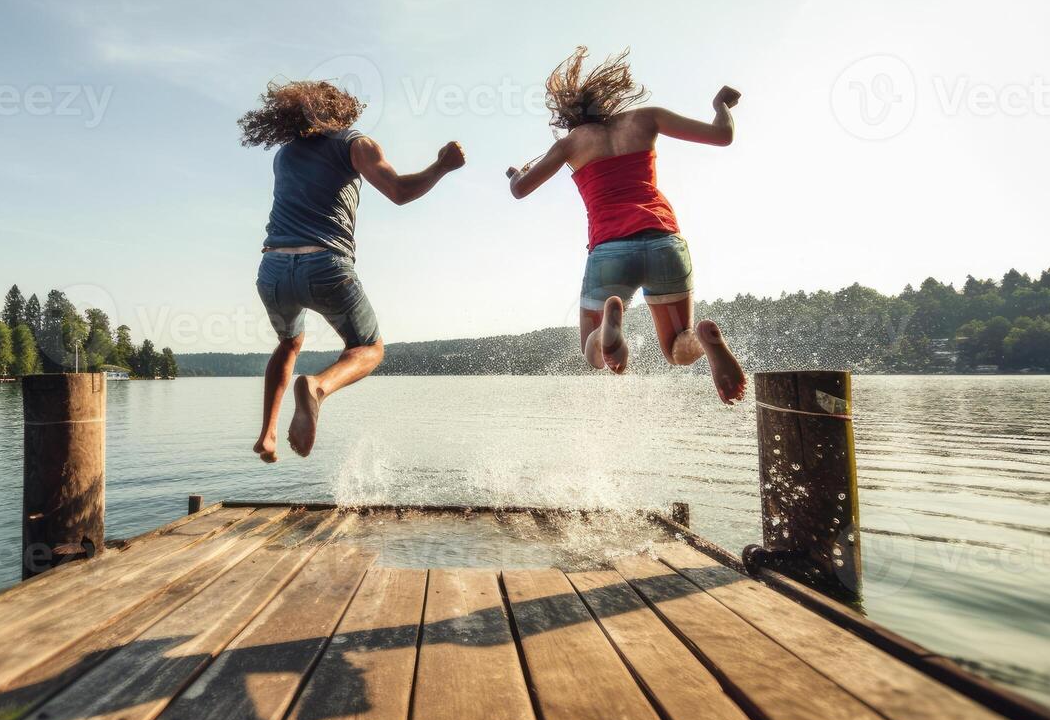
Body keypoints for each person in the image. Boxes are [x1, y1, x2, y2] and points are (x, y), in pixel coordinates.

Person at [506, 47, 747, 404]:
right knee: (675, 347)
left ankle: (606, 329)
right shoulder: (647, 118)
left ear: (570, 114)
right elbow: (722, 136)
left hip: (610, 250)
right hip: (664, 240)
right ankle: (702, 337)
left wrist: (516, 174)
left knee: (592, 348)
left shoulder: (571, 143)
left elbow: (520, 191)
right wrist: (721, 106)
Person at [240, 79, 465, 460]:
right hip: (324, 264)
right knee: (369, 349)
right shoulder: (355, 143)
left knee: (289, 343)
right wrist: (441, 166)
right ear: (340, 108)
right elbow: (398, 191)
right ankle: (318, 387)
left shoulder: (284, 154)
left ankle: (267, 436)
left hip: (273, 268)